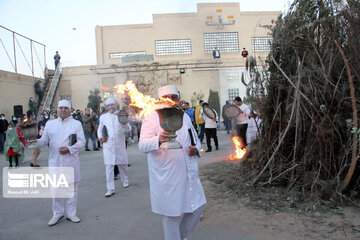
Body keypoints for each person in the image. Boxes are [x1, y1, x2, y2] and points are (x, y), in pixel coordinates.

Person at [139, 85, 206, 240]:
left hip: (188, 170)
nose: (170, 100)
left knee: (197, 206)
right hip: (167, 176)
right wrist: (158, 139)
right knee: (172, 215)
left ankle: (181, 236)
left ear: (178, 99)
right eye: (166, 97)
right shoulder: (152, 117)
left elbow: (196, 140)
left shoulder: (185, 117)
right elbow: (142, 145)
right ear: (160, 100)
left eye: (173, 97)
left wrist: (196, 149)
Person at [37, 100, 85, 226]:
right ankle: (57, 213)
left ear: (70, 110)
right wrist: (34, 140)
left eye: (66, 108)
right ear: (57, 110)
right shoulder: (50, 124)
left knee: (72, 189)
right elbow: (43, 141)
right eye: (61, 108)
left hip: (71, 161)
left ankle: (71, 213)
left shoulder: (76, 124)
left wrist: (69, 149)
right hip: (55, 162)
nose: (63, 110)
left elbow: (81, 142)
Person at [97, 98, 131, 197]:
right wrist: (100, 138)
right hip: (108, 145)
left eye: (112, 105)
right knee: (109, 166)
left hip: (120, 143)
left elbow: (128, 128)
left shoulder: (120, 115)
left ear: (116, 105)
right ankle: (110, 188)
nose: (111, 107)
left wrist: (124, 123)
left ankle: (125, 180)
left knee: (122, 163)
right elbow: (100, 129)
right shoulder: (103, 117)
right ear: (106, 107)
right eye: (109, 105)